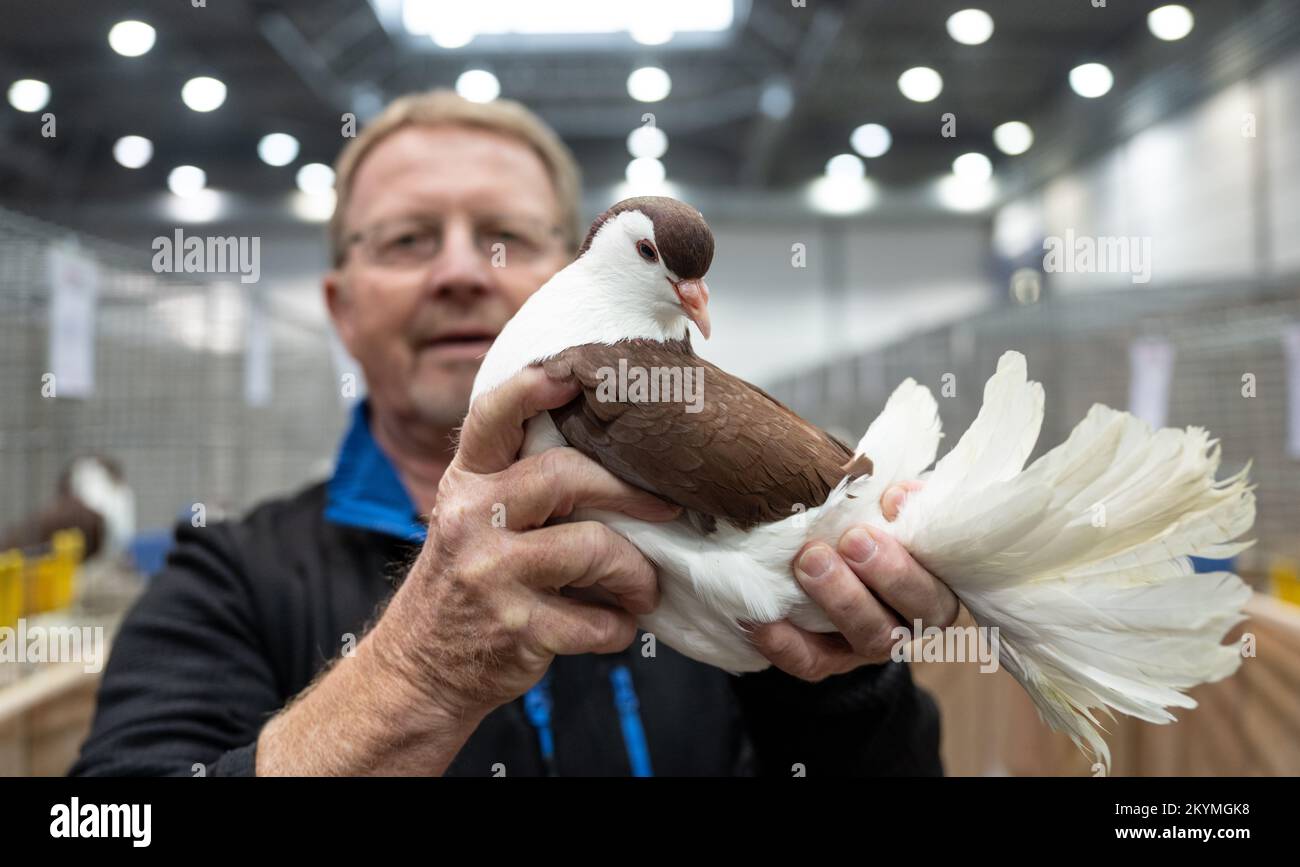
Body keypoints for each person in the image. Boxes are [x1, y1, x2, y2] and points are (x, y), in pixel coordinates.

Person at [71, 90, 959, 777]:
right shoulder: (225, 577)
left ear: (568, 270)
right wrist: (412, 674)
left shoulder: (698, 465)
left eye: (503, 237)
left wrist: (845, 663)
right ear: (340, 306)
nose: (461, 271)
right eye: (409, 239)